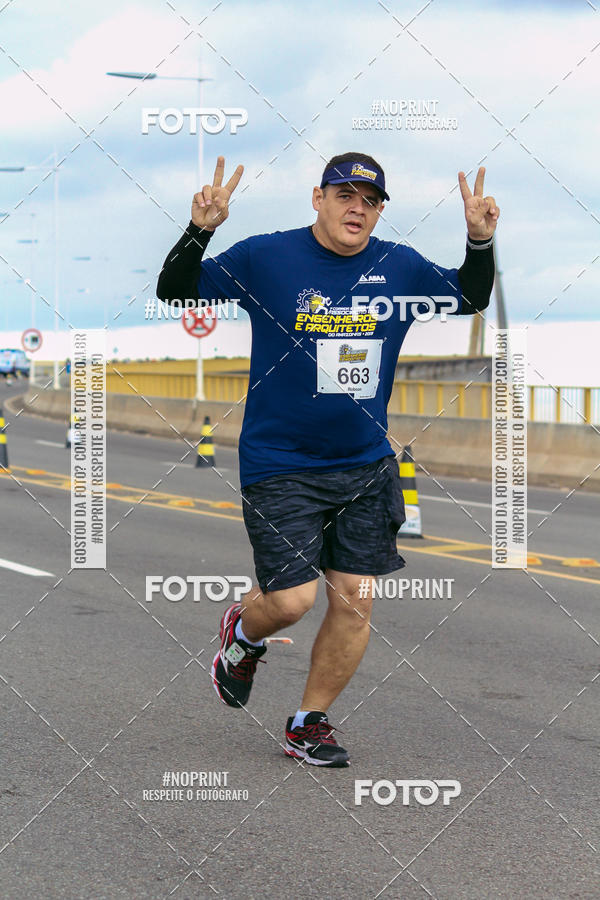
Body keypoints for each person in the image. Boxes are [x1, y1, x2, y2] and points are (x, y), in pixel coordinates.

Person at [157, 152, 498, 767]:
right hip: (280, 461)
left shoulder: (400, 265)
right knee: (290, 601)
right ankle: (242, 631)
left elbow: (468, 298)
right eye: (345, 196)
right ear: (318, 199)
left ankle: (307, 722)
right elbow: (176, 292)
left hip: (365, 463)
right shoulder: (267, 256)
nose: (357, 208)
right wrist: (200, 230)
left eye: (370, 201)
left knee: (354, 599)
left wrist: (479, 242)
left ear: (379, 212)